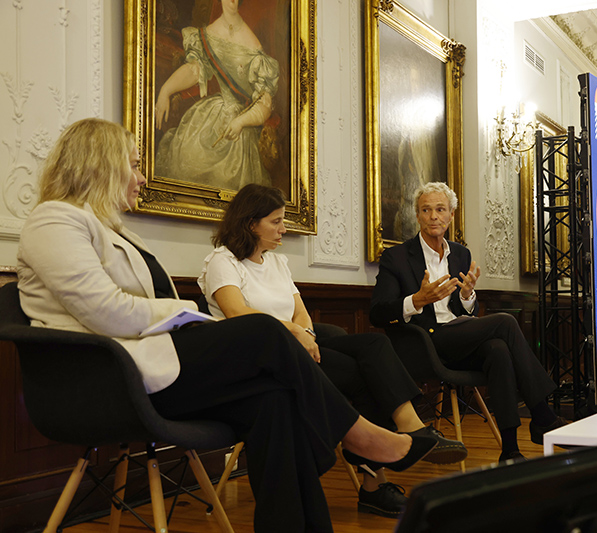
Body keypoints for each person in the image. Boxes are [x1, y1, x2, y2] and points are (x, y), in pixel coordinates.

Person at [16, 118, 437, 532]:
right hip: (107, 379)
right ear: (101, 165)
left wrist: (181, 318)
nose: (142, 177)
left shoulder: (115, 230)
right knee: (265, 331)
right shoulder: (55, 220)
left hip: (156, 362)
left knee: (273, 400)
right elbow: (106, 312)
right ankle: (361, 436)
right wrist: (186, 314)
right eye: (136, 165)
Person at [198, 184, 467, 518]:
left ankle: (410, 429)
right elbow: (237, 313)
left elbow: (300, 310)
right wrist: (296, 332)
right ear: (251, 223)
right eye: (277, 221)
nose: (284, 228)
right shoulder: (222, 261)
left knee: (375, 344)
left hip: (297, 343)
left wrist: (305, 332)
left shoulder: (278, 262)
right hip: (258, 357)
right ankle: (375, 482)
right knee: (364, 376)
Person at [369, 182, 566, 463]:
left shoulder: (460, 254)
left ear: (451, 215)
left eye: (440, 210)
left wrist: (467, 295)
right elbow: (376, 312)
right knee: (507, 322)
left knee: (498, 349)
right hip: (425, 342)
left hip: (459, 337)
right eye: (426, 210)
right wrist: (418, 299)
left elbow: (467, 315)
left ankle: (510, 449)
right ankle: (542, 415)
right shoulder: (397, 257)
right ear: (417, 215)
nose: (433, 216)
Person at [154, 0, 279, 189]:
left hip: (240, 130)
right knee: (187, 156)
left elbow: (265, 103)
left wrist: (240, 122)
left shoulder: (253, 45)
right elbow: (194, 70)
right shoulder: (207, 34)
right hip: (210, 118)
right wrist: (165, 90)